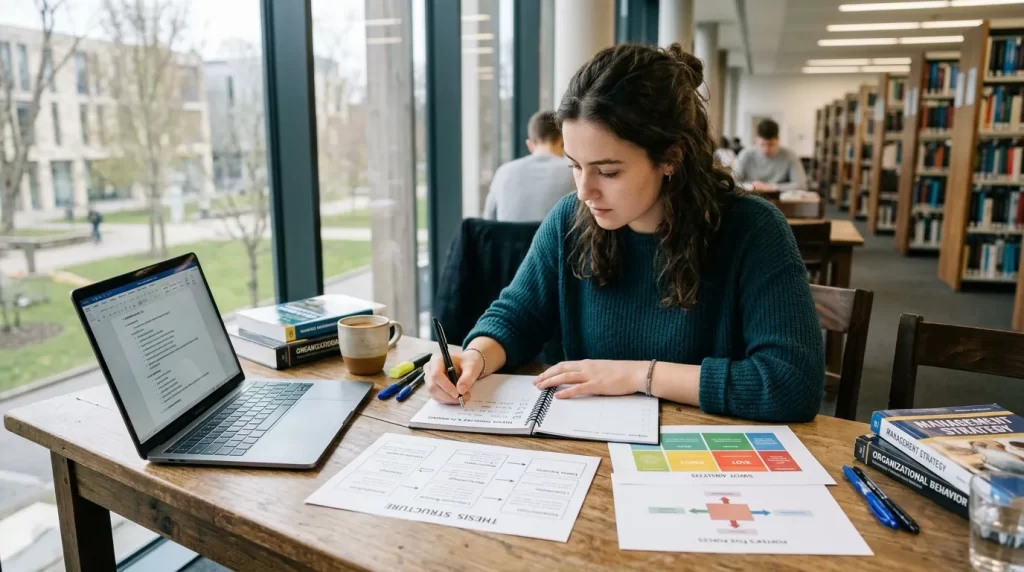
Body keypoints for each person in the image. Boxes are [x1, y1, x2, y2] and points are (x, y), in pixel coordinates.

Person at [425, 43, 824, 423]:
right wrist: (475, 356)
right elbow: (517, 316)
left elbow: (792, 382)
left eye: (608, 171)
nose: (585, 191)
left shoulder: (754, 229)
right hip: (590, 445)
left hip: (703, 454)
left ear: (671, 157)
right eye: (575, 166)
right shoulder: (569, 219)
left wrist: (638, 375)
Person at [482, 110, 576, 222]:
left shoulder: (503, 172)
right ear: (563, 142)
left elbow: (488, 221)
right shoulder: (574, 171)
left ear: (529, 145)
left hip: (509, 234)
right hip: (557, 233)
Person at [734, 119, 808, 192]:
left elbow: (801, 185)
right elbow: (733, 182)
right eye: (762, 144)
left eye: (771, 144)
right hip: (751, 195)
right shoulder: (745, 155)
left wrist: (772, 187)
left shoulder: (790, 155)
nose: (766, 149)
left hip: (778, 198)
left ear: (778, 140)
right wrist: (750, 186)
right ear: (756, 140)